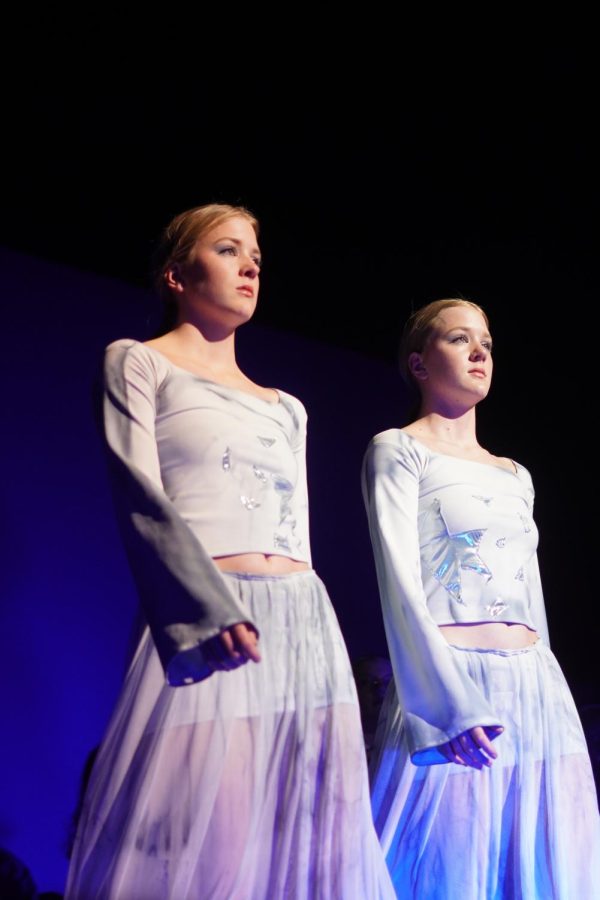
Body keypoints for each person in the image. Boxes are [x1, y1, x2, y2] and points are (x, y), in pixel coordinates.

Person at [65, 204, 394, 899]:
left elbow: (291, 528)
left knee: (307, 835)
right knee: (214, 839)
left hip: (302, 622)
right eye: (226, 249)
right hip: (211, 608)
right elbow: (140, 497)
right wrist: (206, 610)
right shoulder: (138, 362)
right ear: (176, 274)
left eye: (256, 257)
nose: (249, 266)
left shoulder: (286, 406)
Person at [361, 298, 600, 898]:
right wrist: (447, 705)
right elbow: (399, 584)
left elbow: (530, 593)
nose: (479, 353)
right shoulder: (398, 449)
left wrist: (547, 685)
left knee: (544, 867)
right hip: (453, 683)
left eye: (487, 344)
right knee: (444, 864)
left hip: (534, 688)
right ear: (418, 363)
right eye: (459, 340)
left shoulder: (515, 474)